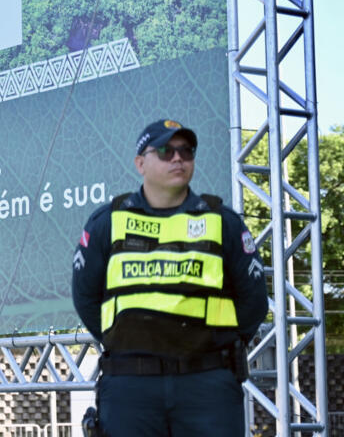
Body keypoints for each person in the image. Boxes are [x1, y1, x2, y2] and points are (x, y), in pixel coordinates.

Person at [71, 119, 269, 436]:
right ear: (140, 163)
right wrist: (128, 339)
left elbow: (253, 301)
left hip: (207, 385)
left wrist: (211, 348)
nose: (178, 158)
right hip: (130, 386)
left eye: (186, 151)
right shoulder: (107, 222)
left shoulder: (222, 221)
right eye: (165, 151)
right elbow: (85, 297)